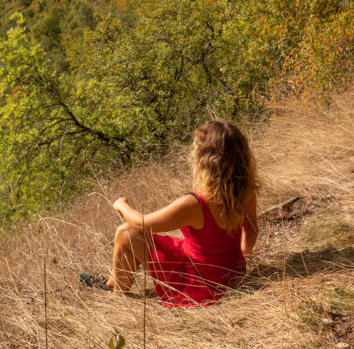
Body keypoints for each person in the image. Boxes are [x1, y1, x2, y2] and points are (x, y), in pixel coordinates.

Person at [81, 120, 259, 306]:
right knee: (147, 240)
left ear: (206, 160)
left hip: (200, 283)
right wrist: (240, 260)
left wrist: (122, 205)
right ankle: (110, 282)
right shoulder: (245, 191)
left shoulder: (195, 204)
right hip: (228, 273)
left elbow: (142, 223)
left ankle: (114, 292)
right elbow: (252, 230)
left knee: (125, 233)